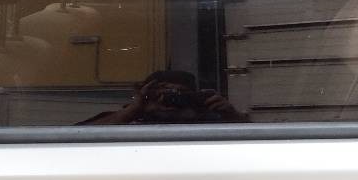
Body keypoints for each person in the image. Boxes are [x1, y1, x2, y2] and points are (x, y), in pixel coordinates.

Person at [82, 70, 246, 125]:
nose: (170, 99)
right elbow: (79, 136)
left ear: (194, 96)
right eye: (162, 93)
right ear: (145, 96)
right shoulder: (126, 120)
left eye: (180, 93)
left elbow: (250, 143)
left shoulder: (207, 120)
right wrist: (134, 110)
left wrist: (231, 115)